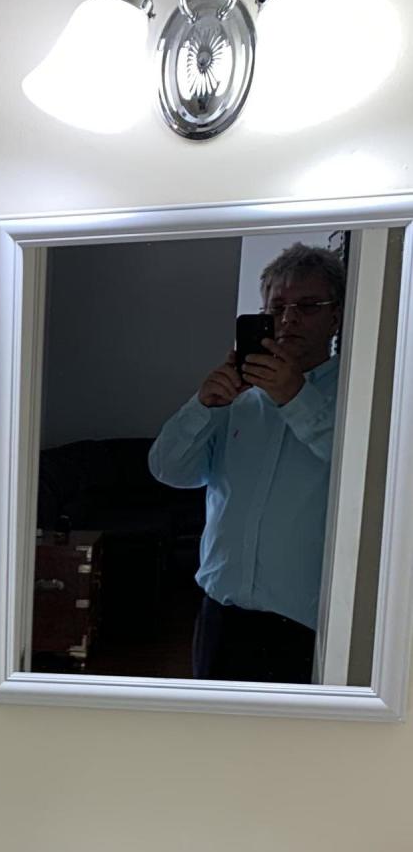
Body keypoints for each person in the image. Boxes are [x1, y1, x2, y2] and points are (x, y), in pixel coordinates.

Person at [149, 242, 344, 683]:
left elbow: (363, 479)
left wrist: (295, 398)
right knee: (209, 744)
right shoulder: (235, 398)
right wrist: (203, 406)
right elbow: (169, 471)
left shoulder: (357, 396)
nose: (289, 318)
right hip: (219, 613)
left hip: (307, 623)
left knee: (291, 751)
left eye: (308, 306)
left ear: (336, 316)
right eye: (277, 307)